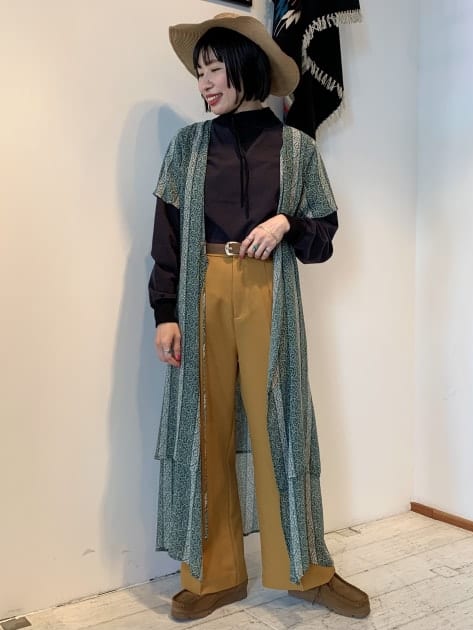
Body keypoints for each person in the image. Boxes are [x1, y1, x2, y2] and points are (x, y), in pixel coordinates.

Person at [148, 12, 370, 622]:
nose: (203, 83)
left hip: (269, 293)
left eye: (213, 70)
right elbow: (166, 238)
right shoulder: (187, 147)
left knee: (284, 427)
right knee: (204, 429)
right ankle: (214, 575)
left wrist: (286, 222)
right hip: (200, 293)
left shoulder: (297, 149)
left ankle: (306, 571)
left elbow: (322, 237)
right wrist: (165, 312)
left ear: (244, 68)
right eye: (199, 73)